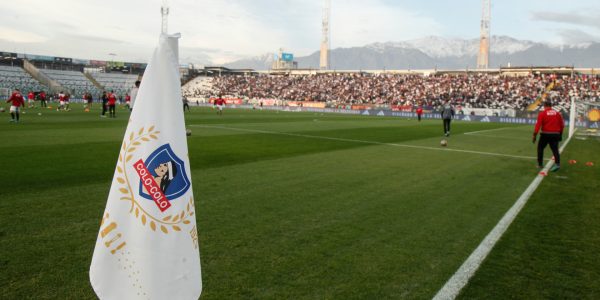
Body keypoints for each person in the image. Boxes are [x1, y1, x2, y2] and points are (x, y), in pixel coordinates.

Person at [533, 100, 564, 172]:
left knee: (540, 148)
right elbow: (562, 125)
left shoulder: (542, 113)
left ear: (544, 106)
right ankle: (557, 164)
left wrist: (534, 135)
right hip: (555, 134)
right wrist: (560, 135)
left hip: (545, 134)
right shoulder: (557, 113)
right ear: (551, 106)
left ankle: (540, 164)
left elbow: (538, 125)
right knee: (555, 150)